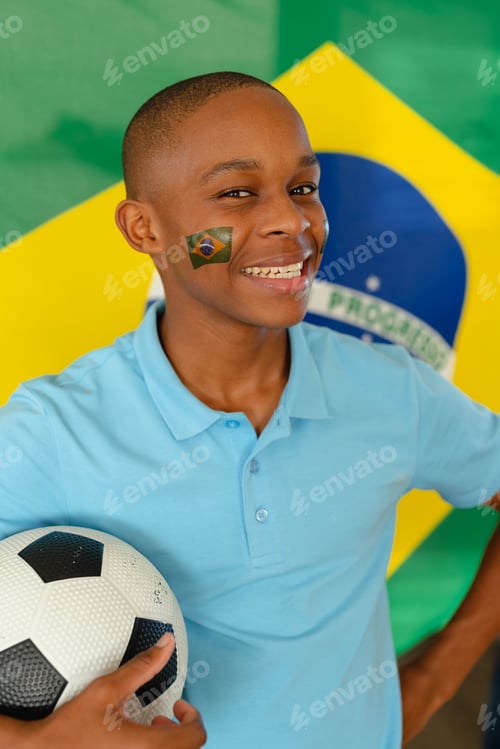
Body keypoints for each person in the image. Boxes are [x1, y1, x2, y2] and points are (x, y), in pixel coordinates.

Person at [0, 71, 499, 749]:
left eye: (303, 189)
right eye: (237, 193)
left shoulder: (391, 392)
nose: (292, 222)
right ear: (145, 227)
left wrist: (437, 677)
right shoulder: (52, 431)